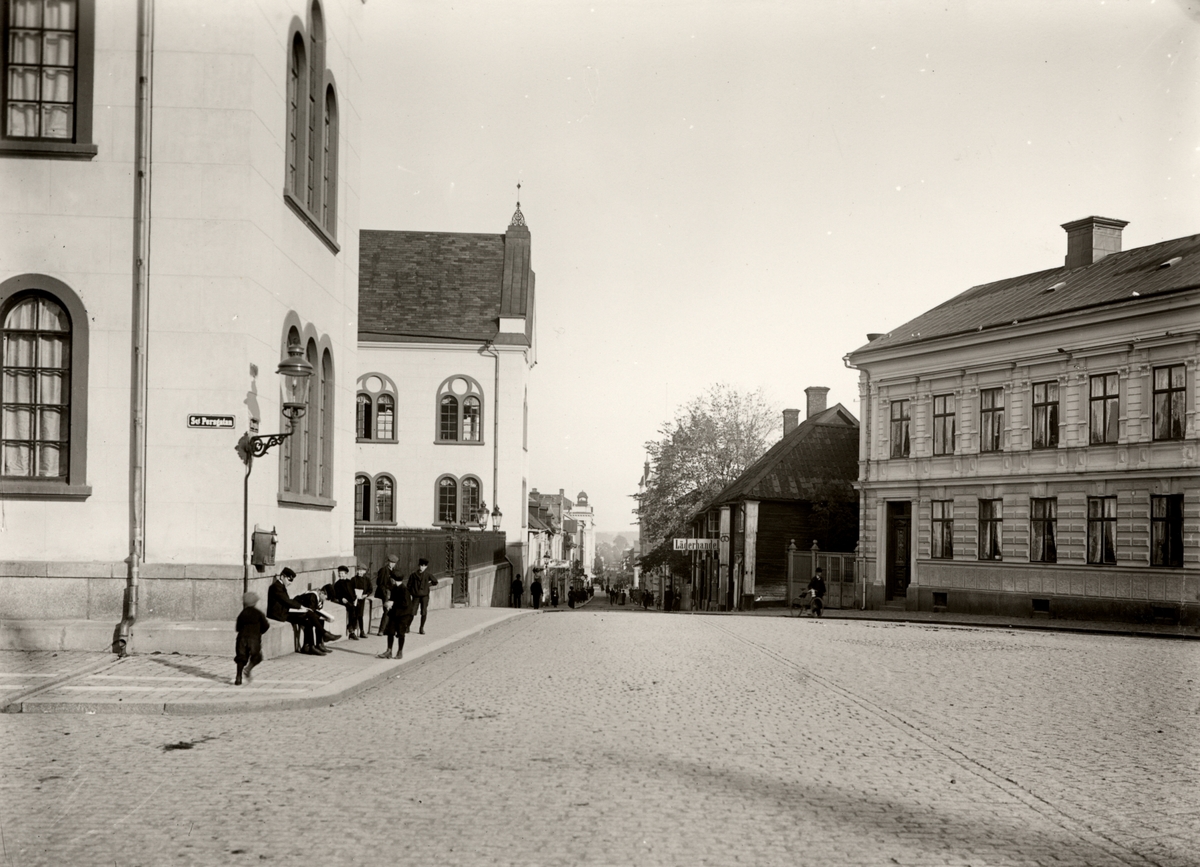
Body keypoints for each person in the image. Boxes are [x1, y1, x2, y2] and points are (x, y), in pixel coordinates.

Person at [267, 567, 328, 655]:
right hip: (279, 614)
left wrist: (300, 608)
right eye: (289, 580)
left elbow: (287, 601)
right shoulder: (276, 587)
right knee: (308, 613)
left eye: (291, 581)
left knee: (308, 621)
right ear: (282, 577)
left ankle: (308, 646)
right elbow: (286, 601)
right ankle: (323, 634)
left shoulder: (281, 586)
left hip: (284, 612)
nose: (290, 583)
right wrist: (300, 607)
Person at [234, 591, 269, 685]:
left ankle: (238, 677)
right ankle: (248, 668)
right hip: (254, 639)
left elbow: (238, 628)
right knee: (257, 656)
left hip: (241, 638)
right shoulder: (258, 614)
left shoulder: (242, 614)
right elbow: (266, 626)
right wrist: (259, 632)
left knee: (241, 658)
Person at [377, 564, 412, 660]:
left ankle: (400, 651)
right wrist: (388, 604)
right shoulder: (394, 588)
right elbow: (392, 599)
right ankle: (389, 650)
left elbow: (405, 604)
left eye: (391, 578)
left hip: (402, 616)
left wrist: (392, 603)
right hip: (393, 614)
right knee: (390, 632)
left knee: (401, 634)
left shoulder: (404, 590)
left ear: (393, 579)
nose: (390, 580)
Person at [406, 558, 438, 634]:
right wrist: (412, 592)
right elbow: (408, 586)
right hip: (416, 596)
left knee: (424, 612)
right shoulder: (413, 575)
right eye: (420, 566)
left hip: (424, 596)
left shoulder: (428, 575)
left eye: (423, 566)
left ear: (426, 567)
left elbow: (435, 582)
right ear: (418, 566)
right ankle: (407, 627)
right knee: (412, 612)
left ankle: (421, 628)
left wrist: (427, 585)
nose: (422, 567)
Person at [349, 561, 373, 638]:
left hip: (362, 600)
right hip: (355, 599)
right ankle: (352, 632)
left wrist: (366, 595)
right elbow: (350, 589)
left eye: (362, 571)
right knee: (354, 615)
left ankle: (362, 631)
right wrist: (354, 596)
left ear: (365, 571)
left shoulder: (367, 580)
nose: (360, 572)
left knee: (360, 615)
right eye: (358, 570)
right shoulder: (353, 579)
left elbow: (370, 589)